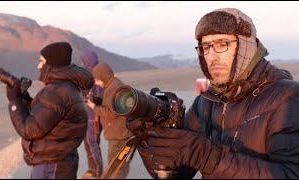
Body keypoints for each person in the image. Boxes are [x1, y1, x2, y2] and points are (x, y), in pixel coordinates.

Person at [134, 8, 299, 178]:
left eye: (222, 44)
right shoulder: (207, 101)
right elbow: (176, 174)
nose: (211, 57)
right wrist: (149, 138)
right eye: (206, 47)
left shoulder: (287, 97)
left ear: (246, 48)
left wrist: (208, 157)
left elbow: (291, 174)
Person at [6, 42, 94, 179]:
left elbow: (29, 130)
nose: (38, 66)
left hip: (52, 165)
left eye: (41, 61)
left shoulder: (57, 92)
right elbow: (45, 117)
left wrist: (14, 102)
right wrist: (24, 99)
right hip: (57, 162)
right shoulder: (64, 87)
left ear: (52, 64)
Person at [86, 62, 133, 179]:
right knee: (118, 166)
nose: (96, 83)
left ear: (103, 77)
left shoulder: (114, 88)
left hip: (118, 136)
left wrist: (94, 107)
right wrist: (99, 101)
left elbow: (111, 113)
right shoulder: (113, 85)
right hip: (119, 134)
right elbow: (112, 106)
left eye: (97, 80)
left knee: (116, 167)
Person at [79, 51, 104, 179]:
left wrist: (92, 99)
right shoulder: (86, 75)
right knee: (87, 144)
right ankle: (92, 169)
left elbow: (100, 95)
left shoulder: (99, 75)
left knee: (93, 144)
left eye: (83, 61)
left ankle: (98, 172)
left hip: (95, 118)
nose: (82, 64)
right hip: (85, 116)